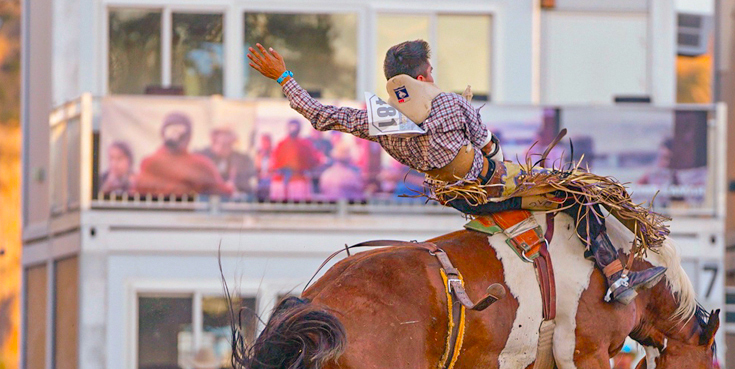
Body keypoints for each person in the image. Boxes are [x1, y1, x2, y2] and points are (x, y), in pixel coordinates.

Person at [247, 40, 667, 304]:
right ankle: (615, 275)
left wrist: (283, 76)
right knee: (577, 192)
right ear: (423, 75)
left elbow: (321, 115)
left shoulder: (380, 120)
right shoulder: (451, 102)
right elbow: (489, 145)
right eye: (430, 70)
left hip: (458, 200)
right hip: (491, 182)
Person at [133, 112, 234, 197]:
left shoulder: (149, 163)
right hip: (189, 219)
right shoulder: (200, 165)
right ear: (189, 137)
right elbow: (223, 192)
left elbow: (134, 194)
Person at [270, 119, 326, 199]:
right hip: (295, 182)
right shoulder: (303, 144)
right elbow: (315, 161)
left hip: (283, 183)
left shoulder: (281, 143)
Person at [195, 126, 256, 195]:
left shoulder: (243, 159)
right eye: (223, 144)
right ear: (214, 142)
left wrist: (235, 185)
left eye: (229, 144)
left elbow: (247, 184)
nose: (227, 148)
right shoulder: (202, 157)